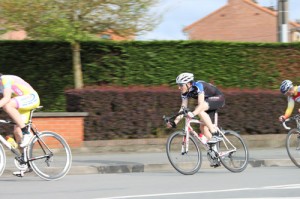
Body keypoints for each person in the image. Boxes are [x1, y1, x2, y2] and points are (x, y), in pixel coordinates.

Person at [167, 72, 225, 144]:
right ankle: (214, 151)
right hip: (207, 103)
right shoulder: (184, 92)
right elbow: (183, 108)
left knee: (199, 109)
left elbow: (200, 105)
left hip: (218, 98)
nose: (179, 87)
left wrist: (193, 114)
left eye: (181, 85)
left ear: (188, 84)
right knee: (203, 128)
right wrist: (175, 122)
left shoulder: (198, 86)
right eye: (178, 85)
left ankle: (215, 133)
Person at [0, 73, 40, 148]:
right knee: (17, 132)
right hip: (21, 103)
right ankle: (24, 157)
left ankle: (26, 132)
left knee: (7, 105)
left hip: (31, 97)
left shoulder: (5, 79)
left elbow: (6, 98)